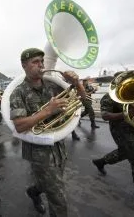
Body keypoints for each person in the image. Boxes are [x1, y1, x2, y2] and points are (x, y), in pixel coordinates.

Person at [10, 48, 86, 216]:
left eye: (42, 62)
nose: (41, 65)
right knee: (58, 199)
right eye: (35, 62)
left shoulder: (54, 85)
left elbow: (82, 102)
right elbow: (19, 125)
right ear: (24, 66)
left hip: (59, 148)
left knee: (49, 184)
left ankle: (34, 191)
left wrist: (77, 84)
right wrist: (47, 111)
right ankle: (39, 191)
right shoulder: (18, 92)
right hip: (39, 154)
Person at [92, 71, 134, 211]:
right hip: (121, 131)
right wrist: (125, 114)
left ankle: (101, 161)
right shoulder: (108, 97)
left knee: (124, 153)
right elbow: (105, 116)